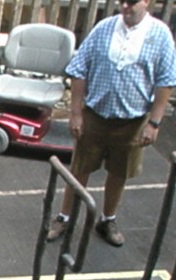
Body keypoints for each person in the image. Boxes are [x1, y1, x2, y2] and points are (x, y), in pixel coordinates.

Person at [46, 0, 176, 247]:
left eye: (132, 2)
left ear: (146, 2)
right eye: (122, 1)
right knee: (80, 168)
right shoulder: (104, 28)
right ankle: (64, 217)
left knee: (119, 172)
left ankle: (107, 220)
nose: (126, 6)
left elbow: (165, 81)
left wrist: (155, 123)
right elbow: (79, 69)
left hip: (133, 121)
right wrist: (76, 113)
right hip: (96, 115)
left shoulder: (160, 35)